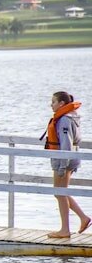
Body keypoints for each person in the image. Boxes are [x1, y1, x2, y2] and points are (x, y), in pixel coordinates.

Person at [43, 90, 89, 238]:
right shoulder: (71, 116)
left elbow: (66, 144)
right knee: (61, 192)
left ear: (62, 103)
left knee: (59, 193)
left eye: (53, 102)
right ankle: (83, 218)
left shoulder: (64, 120)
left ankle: (65, 230)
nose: (51, 105)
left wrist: (62, 165)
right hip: (70, 158)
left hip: (64, 159)